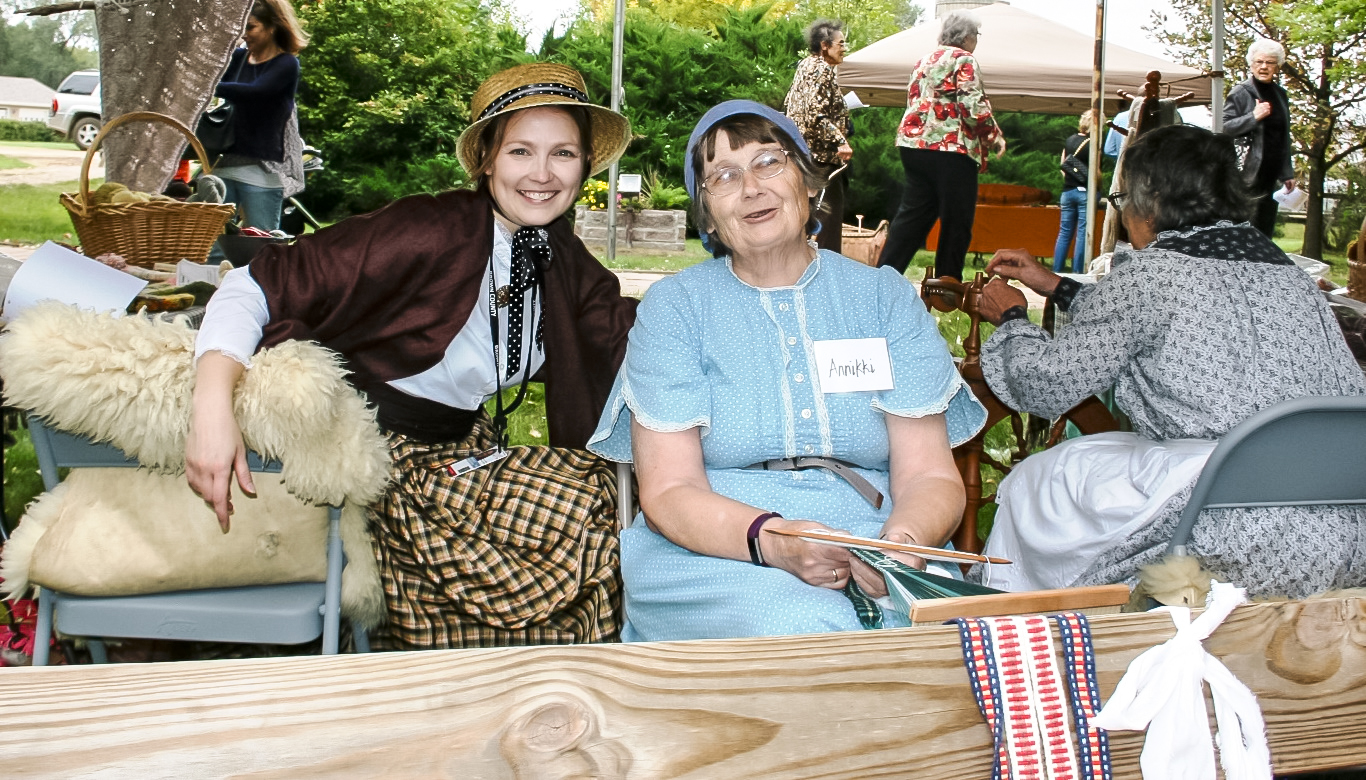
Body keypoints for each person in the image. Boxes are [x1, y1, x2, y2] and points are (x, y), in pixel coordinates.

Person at [187, 63, 639, 650]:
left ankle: (556, 687)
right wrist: (211, 405)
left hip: (464, 451)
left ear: (584, 166)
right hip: (387, 460)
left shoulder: (561, 257)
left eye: (564, 154)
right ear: (486, 161)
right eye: (521, 151)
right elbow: (252, 286)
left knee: (618, 500)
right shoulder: (426, 228)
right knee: (593, 517)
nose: (542, 174)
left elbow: (636, 337)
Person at [587, 100, 987, 641]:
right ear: (706, 213)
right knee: (806, 629)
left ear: (806, 177)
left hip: (877, 531)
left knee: (972, 644)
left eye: (769, 162)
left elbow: (929, 475)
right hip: (716, 548)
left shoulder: (882, 297)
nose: (751, 187)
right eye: (723, 176)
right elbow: (670, 490)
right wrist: (773, 541)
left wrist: (902, 543)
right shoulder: (675, 308)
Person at [975, 124, 1365, 600]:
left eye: (1121, 200)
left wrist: (1012, 317)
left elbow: (1048, 386)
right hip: (1342, 521)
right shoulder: (1293, 278)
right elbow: (1164, 318)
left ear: (1149, 201)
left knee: (1039, 480)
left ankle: (1032, 619)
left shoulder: (1151, 275)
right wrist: (1057, 286)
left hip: (1229, 520)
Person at [876, 10, 1005, 282]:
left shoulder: (923, 60)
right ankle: (948, 281)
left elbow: (913, 99)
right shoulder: (964, 59)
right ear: (968, 37)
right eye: (976, 36)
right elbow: (971, 106)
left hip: (913, 145)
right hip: (949, 148)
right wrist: (993, 136)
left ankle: (885, 275)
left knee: (913, 215)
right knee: (957, 216)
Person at [210, 0, 308, 235]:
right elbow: (211, 71)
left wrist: (211, 86)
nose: (245, 35)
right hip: (226, 164)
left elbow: (256, 92)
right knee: (213, 246)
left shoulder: (286, 64)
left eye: (251, 27)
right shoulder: (239, 58)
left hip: (261, 169)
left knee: (259, 244)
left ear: (271, 27)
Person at [784, 18, 853, 253]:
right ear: (825, 45)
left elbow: (793, 106)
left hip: (802, 154)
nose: (844, 48)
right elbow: (816, 113)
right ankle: (827, 274)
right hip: (822, 159)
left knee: (806, 217)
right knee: (828, 222)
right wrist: (840, 141)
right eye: (841, 43)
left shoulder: (804, 66)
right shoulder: (821, 68)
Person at [1223, 38, 1296, 238]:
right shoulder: (1241, 92)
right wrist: (1253, 117)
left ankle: (1263, 267)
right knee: (1244, 228)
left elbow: (1283, 137)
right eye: (1259, 62)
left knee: (1265, 229)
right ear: (1251, 64)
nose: (1264, 67)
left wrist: (1287, 172)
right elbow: (1224, 128)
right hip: (1246, 175)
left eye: (1270, 62)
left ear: (1277, 66)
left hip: (1271, 176)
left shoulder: (1280, 95)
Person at [1052, 110, 1094, 274]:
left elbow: (1063, 165)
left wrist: (1072, 178)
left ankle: (1057, 269)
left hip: (1067, 191)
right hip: (1085, 192)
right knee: (1082, 233)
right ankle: (1078, 272)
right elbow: (1095, 171)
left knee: (1064, 232)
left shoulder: (1069, 140)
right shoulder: (1092, 143)